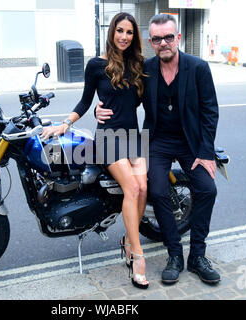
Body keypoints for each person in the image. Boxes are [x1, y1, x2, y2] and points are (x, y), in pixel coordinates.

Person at [96, 13, 220, 285]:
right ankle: (175, 255)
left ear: (177, 38)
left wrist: (206, 152)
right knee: (159, 191)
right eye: (157, 38)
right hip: (157, 142)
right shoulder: (146, 69)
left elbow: (210, 111)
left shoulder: (198, 68)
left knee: (208, 190)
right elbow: (125, 97)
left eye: (168, 37)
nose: (163, 42)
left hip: (191, 143)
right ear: (151, 42)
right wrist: (100, 108)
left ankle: (197, 256)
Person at [40, 12, 150, 289]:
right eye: (120, 31)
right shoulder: (97, 65)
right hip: (108, 137)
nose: (124, 36)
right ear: (112, 32)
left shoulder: (139, 65)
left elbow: (146, 101)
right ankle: (137, 255)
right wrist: (65, 124)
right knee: (133, 189)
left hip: (133, 136)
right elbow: (85, 101)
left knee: (143, 187)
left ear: (134, 36)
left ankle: (128, 238)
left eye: (129, 32)